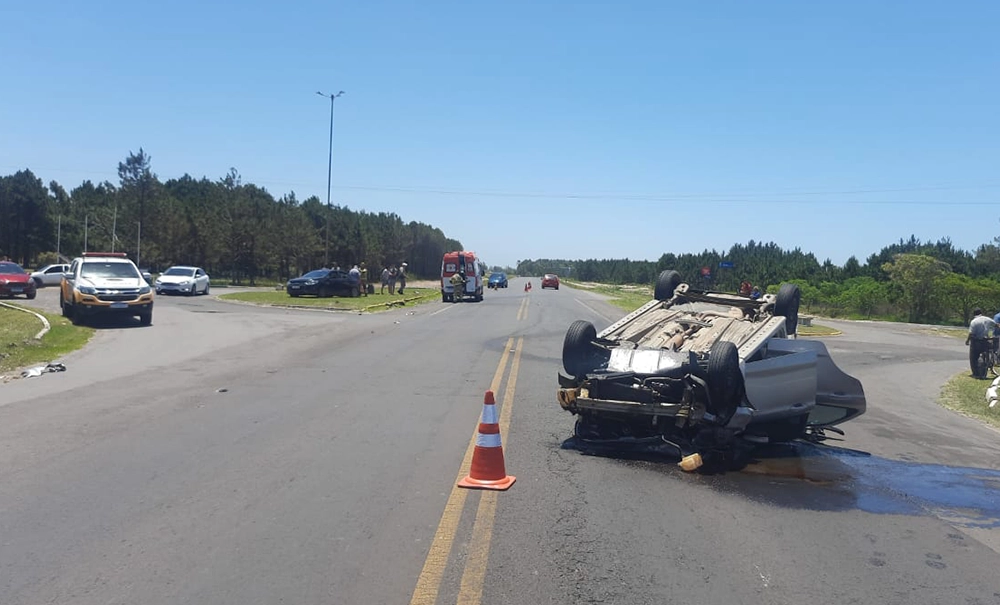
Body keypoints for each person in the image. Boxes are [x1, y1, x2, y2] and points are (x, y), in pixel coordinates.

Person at [966, 308, 997, 378]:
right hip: (986, 340)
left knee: (973, 356)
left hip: (977, 341)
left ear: (974, 314)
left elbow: (971, 333)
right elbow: (996, 325)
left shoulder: (974, 321)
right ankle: (988, 364)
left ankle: (975, 373)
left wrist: (967, 341)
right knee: (987, 352)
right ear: (981, 313)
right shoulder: (988, 319)